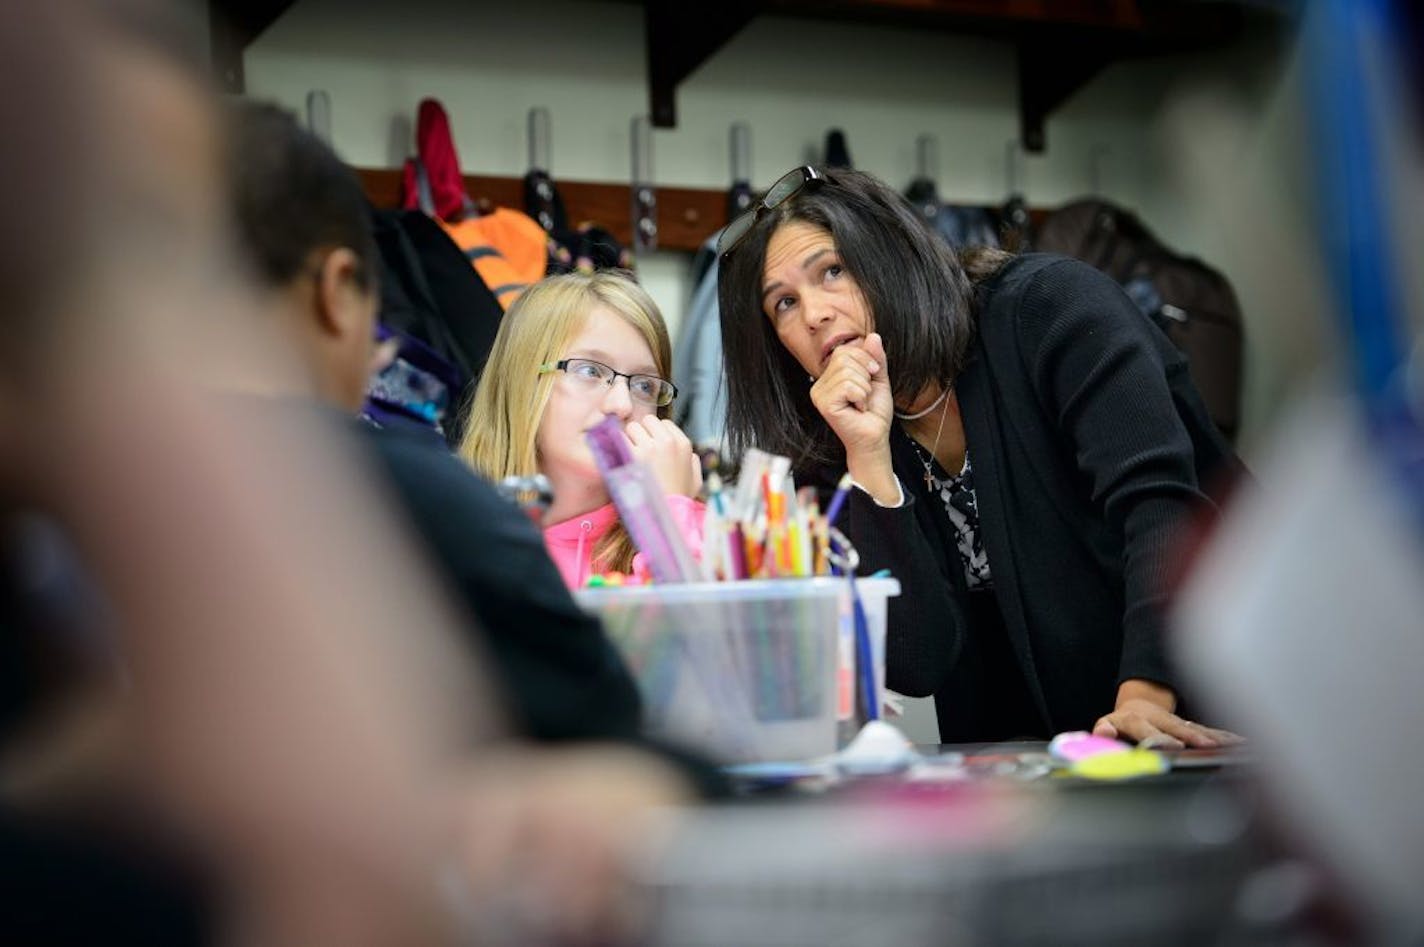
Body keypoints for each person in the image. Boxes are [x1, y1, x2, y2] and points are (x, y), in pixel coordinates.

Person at [717, 165, 1247, 749]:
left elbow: (1162, 507)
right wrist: (869, 460)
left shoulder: (1048, 308)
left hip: (1213, 693)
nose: (814, 313)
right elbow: (918, 662)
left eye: (833, 271)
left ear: (891, 258)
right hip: (1038, 766)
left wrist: (1145, 697)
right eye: (784, 303)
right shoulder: (832, 436)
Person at [459, 271, 705, 588]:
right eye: (590, 370)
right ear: (521, 381)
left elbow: (698, 633)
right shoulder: (454, 533)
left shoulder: (701, 531)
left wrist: (669, 518)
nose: (622, 405)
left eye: (644, 385)